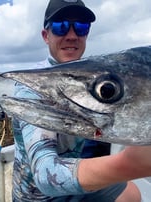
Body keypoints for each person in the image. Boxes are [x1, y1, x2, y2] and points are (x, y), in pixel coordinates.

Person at [12, 0, 151, 201]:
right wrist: (129, 164)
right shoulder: (33, 87)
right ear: (45, 36)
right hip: (41, 197)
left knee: (132, 194)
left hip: (78, 186)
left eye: (80, 27)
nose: (71, 35)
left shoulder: (93, 70)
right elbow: (45, 173)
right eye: (60, 26)